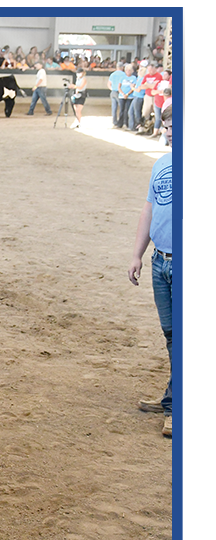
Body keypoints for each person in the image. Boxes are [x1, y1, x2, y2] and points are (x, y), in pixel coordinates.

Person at [128, 105, 173, 437]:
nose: (167, 131)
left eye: (174, 126)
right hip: (160, 260)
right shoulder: (160, 164)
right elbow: (149, 211)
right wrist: (137, 255)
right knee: (172, 336)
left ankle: (177, 407)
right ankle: (175, 395)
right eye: (166, 126)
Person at [116, 63, 137, 128]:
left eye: (129, 70)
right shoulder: (122, 77)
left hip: (129, 96)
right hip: (122, 96)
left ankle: (126, 123)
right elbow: (119, 87)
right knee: (121, 110)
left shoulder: (133, 78)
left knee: (127, 110)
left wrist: (127, 94)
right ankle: (120, 123)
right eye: (127, 70)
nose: (128, 72)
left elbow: (133, 87)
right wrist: (123, 94)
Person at [108, 63, 125, 127]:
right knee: (122, 107)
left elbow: (109, 84)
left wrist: (112, 89)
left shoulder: (112, 74)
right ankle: (121, 121)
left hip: (113, 91)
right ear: (122, 67)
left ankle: (114, 121)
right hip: (120, 91)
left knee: (114, 107)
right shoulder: (124, 74)